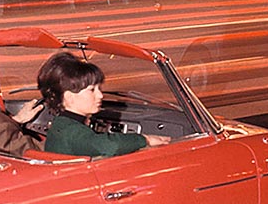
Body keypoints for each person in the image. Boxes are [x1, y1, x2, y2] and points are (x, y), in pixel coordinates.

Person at [36, 51, 169, 157]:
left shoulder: (62, 124)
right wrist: (144, 139)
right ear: (69, 97)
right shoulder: (72, 132)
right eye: (92, 90)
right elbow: (110, 146)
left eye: (99, 88)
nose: (100, 95)